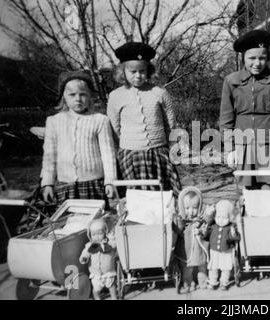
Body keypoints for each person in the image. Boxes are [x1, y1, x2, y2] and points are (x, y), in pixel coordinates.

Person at [220, 30, 270, 189]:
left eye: (262, 58)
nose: (257, 63)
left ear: (267, 57)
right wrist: (230, 150)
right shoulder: (231, 81)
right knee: (246, 193)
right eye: (252, 58)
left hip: (269, 144)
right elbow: (226, 119)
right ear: (243, 58)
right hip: (243, 145)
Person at [107, 42, 181, 195]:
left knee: (163, 196)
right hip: (131, 155)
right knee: (137, 198)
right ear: (123, 71)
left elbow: (170, 122)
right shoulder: (116, 96)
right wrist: (131, 142)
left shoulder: (159, 93)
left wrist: (167, 144)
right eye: (132, 71)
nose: (138, 75)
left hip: (158, 153)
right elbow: (115, 127)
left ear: (148, 70)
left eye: (142, 71)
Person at [41, 71, 116, 205]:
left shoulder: (100, 120)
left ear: (90, 96)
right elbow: (49, 156)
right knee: (69, 223)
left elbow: (108, 154)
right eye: (72, 94)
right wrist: (47, 183)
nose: (78, 99)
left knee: (96, 222)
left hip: (94, 183)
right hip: (65, 184)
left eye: (83, 94)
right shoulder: (54, 121)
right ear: (63, 97)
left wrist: (110, 181)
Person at [173, 186, 213, 293]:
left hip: (199, 249)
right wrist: (179, 221)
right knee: (187, 268)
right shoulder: (183, 220)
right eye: (187, 208)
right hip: (186, 249)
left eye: (194, 207)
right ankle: (188, 282)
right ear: (182, 207)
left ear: (199, 206)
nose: (191, 211)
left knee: (202, 266)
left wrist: (209, 214)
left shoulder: (200, 218)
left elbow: (207, 223)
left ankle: (203, 281)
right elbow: (178, 229)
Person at [202, 200, 240, 290]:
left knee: (226, 267)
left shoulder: (231, 226)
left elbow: (234, 238)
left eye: (224, 218)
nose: (221, 220)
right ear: (215, 216)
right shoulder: (213, 226)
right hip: (214, 251)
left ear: (230, 217)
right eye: (218, 217)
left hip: (226, 251)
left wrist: (233, 234)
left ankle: (224, 282)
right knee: (213, 267)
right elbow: (207, 236)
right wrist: (204, 232)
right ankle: (213, 281)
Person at [80, 218, 117, 300]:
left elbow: (114, 244)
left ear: (105, 233)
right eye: (93, 235)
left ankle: (114, 297)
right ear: (90, 235)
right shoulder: (89, 245)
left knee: (111, 286)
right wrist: (84, 258)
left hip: (108, 272)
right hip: (96, 274)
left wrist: (111, 237)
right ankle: (97, 298)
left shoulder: (109, 243)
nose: (97, 237)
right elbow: (86, 252)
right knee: (96, 290)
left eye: (100, 233)